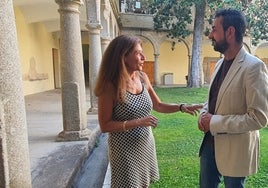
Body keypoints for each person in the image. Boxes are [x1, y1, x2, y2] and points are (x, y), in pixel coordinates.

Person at [94, 34, 202, 188]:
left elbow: (158, 105)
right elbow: (105, 125)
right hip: (124, 151)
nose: (144, 57)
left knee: (144, 185)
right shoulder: (110, 86)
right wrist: (138, 122)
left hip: (145, 144)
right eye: (138, 53)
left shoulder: (142, 77)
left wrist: (181, 107)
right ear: (123, 57)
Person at [198, 8, 268, 188]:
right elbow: (213, 98)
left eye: (214, 29)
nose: (210, 34)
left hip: (236, 150)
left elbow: (258, 118)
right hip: (209, 145)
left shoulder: (254, 67)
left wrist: (213, 121)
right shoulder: (220, 63)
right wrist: (204, 114)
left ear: (230, 32)